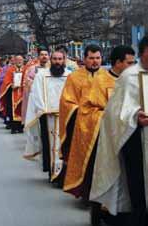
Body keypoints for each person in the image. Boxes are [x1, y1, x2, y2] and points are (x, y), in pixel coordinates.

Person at [89, 43, 142, 226]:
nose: (131, 64)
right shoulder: (128, 78)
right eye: (128, 62)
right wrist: (135, 116)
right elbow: (112, 112)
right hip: (127, 136)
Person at [59, 45, 109, 199]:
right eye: (91, 58)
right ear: (85, 59)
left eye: (97, 58)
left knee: (101, 163)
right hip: (81, 128)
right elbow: (66, 102)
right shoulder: (74, 77)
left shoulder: (108, 78)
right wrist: (81, 111)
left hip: (103, 129)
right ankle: (86, 193)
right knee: (85, 162)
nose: (95, 61)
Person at [24, 51, 71, 182]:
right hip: (48, 116)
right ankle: (52, 172)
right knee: (50, 145)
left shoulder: (70, 75)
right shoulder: (41, 76)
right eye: (55, 59)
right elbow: (36, 93)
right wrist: (43, 109)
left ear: (64, 60)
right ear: (51, 60)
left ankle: (65, 174)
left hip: (66, 116)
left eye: (60, 59)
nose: (57, 62)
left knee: (65, 145)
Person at [21, 47, 50, 125]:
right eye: (42, 55)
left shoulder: (52, 68)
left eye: (46, 55)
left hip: (50, 98)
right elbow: (26, 83)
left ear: (49, 56)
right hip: (37, 98)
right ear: (38, 57)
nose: (44, 56)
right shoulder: (31, 69)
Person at [0, 55, 26, 134]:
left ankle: (21, 127)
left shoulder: (25, 69)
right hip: (12, 93)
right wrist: (11, 85)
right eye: (17, 60)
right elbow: (6, 81)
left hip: (23, 93)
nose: (19, 61)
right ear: (14, 61)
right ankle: (13, 127)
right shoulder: (10, 70)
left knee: (22, 109)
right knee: (12, 110)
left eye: (21, 60)